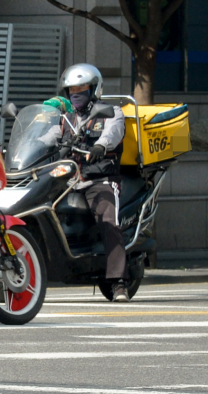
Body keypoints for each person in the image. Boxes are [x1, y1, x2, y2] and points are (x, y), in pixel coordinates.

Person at [44, 63, 129, 302]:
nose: (76, 94)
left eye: (82, 88)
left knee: (107, 219)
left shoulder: (111, 112)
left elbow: (112, 132)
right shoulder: (65, 119)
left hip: (99, 179)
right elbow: (47, 138)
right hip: (68, 180)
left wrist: (101, 146)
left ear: (94, 89)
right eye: (72, 89)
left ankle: (118, 282)